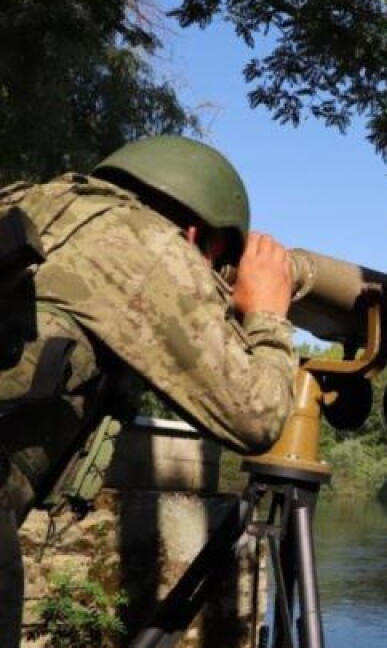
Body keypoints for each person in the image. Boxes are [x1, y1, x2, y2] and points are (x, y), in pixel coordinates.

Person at [0, 135, 297, 647]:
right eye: (213, 263)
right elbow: (258, 415)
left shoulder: (27, 201)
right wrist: (268, 314)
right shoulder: (154, 246)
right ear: (194, 232)